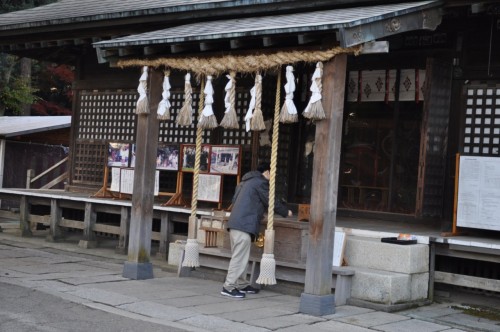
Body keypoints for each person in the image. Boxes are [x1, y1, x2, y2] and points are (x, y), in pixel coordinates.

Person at [221, 162, 293, 298]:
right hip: (244, 224)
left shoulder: (245, 182)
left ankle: (241, 284)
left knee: (242, 257)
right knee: (239, 258)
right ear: (266, 172)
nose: (273, 177)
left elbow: (235, 200)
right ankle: (228, 287)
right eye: (273, 174)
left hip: (236, 223)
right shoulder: (260, 182)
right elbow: (270, 201)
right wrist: (286, 211)